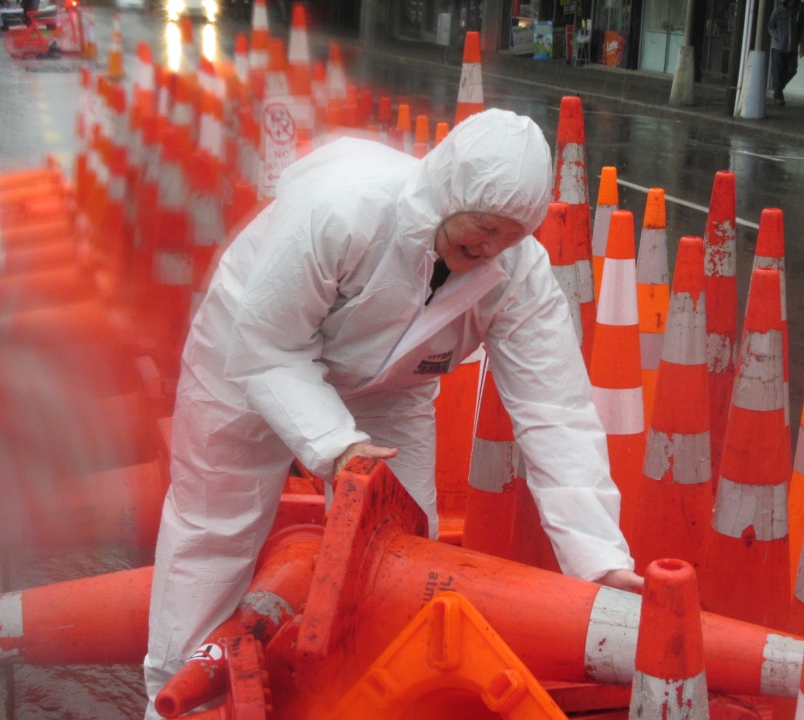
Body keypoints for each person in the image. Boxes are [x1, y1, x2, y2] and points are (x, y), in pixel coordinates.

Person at [142, 108, 642, 717]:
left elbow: (555, 409)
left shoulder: (518, 274)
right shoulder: (343, 209)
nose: (490, 249)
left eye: (511, 236)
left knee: (396, 552)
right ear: (450, 190)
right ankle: (176, 698)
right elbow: (268, 345)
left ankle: (366, 698)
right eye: (484, 227)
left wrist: (601, 561)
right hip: (248, 349)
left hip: (390, 387)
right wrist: (336, 445)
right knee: (215, 527)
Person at [768, 0, 804, 106]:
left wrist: (802, 45)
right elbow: (771, 26)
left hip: (792, 48)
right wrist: (777, 36)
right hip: (778, 47)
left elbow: (802, 30)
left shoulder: (798, 14)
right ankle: (778, 96)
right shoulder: (778, 12)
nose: (792, 2)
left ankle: (778, 88)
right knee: (778, 71)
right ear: (786, 0)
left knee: (792, 69)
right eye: (791, 0)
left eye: (794, 0)